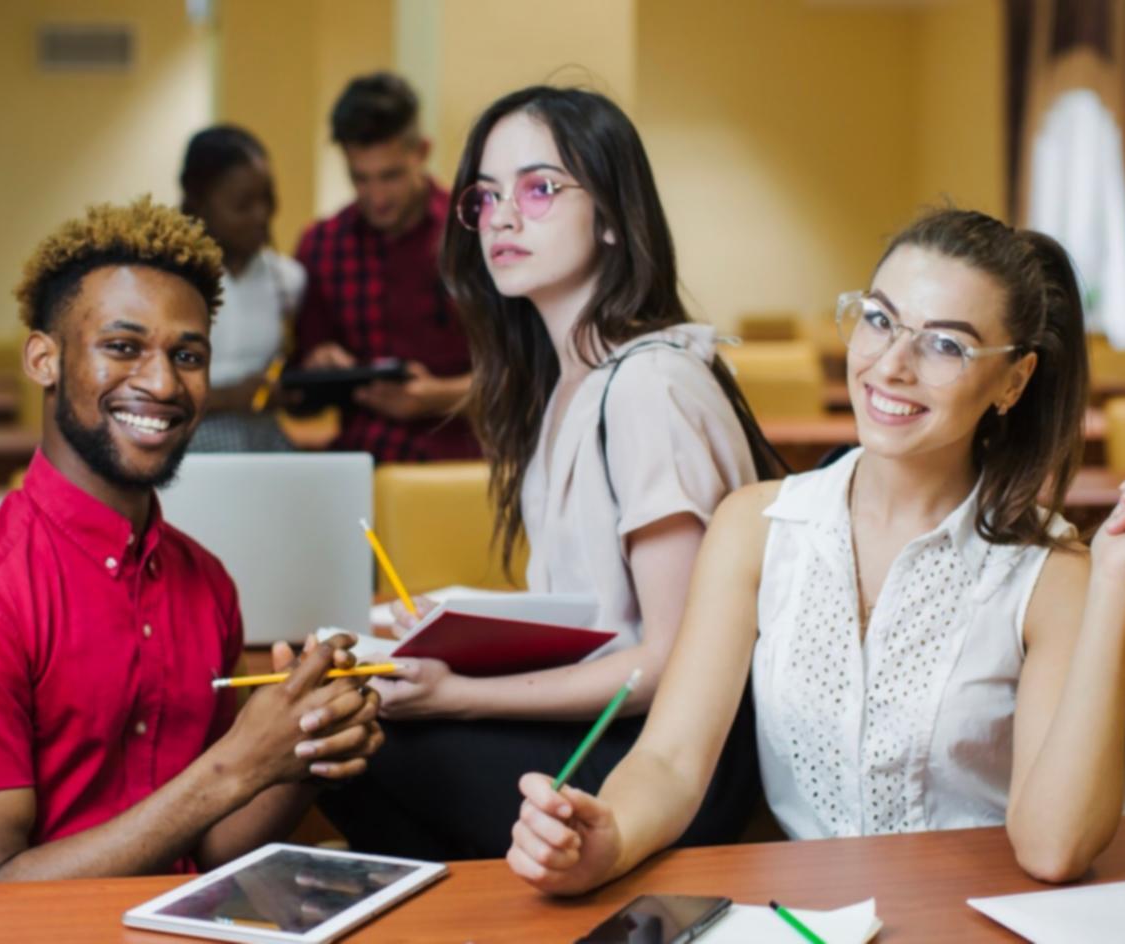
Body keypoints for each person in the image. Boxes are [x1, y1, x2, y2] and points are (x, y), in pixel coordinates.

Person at [507, 209, 1125, 893]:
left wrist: (1114, 585)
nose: (890, 366)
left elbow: (1054, 850)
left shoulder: (1050, 572)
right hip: (809, 918)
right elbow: (670, 760)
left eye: (945, 345)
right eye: (878, 319)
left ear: (1012, 381)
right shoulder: (757, 526)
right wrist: (611, 836)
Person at [316, 86, 785, 861]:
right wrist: (461, 625)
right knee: (341, 721)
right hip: (612, 724)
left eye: (538, 189)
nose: (502, 217)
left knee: (348, 748)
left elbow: (670, 659)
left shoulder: (647, 387)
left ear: (609, 215)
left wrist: (460, 697)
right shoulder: (563, 382)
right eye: (486, 196)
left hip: (670, 764)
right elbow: (605, 615)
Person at [0, 198, 383, 896]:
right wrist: (234, 765)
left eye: (188, 355)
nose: (161, 383)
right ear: (44, 358)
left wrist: (300, 748)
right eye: (122, 347)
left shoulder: (204, 582)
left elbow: (208, 846)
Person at [290, 72, 480, 462]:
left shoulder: (475, 237)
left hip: (461, 472)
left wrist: (439, 397)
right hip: (361, 472)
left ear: (422, 152)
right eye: (361, 178)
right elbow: (297, 400)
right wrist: (320, 367)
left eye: (390, 176)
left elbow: (532, 380)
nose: (377, 198)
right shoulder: (322, 246)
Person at [180, 125, 304, 452]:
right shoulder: (168, 280)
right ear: (199, 203)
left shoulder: (288, 280)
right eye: (243, 204)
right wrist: (227, 397)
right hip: (186, 448)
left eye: (267, 198)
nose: (261, 215)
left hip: (263, 444)